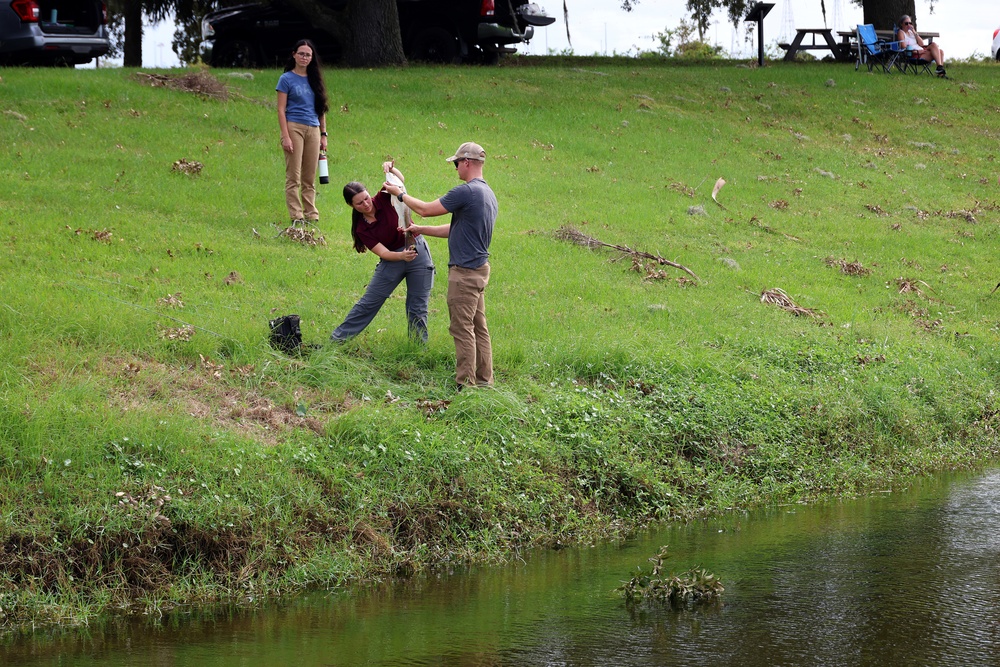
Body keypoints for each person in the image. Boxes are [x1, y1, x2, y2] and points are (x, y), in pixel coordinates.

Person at [383, 142, 497, 390]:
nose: (455, 168)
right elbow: (456, 229)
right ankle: (484, 381)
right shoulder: (488, 194)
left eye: (456, 163)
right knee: (479, 328)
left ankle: (465, 386)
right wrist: (421, 230)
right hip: (480, 271)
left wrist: (399, 194)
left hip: (464, 274)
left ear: (467, 162)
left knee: (462, 329)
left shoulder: (466, 192)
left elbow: (424, 209)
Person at [330, 162, 435, 343]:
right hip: (393, 258)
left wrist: (391, 169)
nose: (366, 204)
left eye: (366, 198)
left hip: (416, 250)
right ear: (351, 205)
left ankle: (418, 348)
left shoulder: (383, 198)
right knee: (369, 303)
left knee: (417, 307)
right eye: (359, 203)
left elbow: (400, 182)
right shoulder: (362, 228)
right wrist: (401, 256)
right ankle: (335, 341)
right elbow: (384, 253)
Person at [276, 39, 329, 225]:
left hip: (313, 129)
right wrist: (285, 136)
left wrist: (324, 134)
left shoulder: (315, 79)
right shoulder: (286, 79)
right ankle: (296, 215)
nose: (304, 57)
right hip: (294, 127)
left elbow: (321, 109)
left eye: (308, 55)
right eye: (301, 54)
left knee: (309, 177)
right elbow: (281, 110)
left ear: (312, 58)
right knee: (294, 176)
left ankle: (311, 214)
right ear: (294, 55)